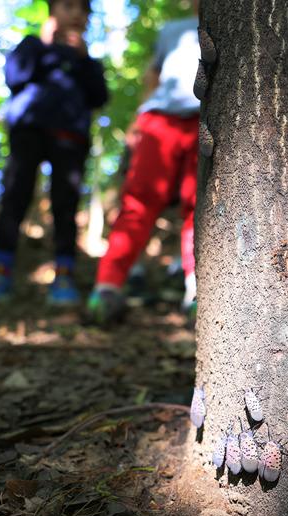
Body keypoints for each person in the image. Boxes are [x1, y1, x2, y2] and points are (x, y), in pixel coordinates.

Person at [0, 0, 108, 305]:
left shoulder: (87, 61)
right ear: (52, 12)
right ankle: (0, 273)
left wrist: (84, 60)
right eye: (68, 6)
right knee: (15, 196)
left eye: (82, 9)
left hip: (70, 135)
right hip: (29, 130)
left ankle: (64, 278)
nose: (76, 14)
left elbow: (99, 96)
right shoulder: (32, 45)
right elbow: (14, 77)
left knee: (65, 204)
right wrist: (44, 44)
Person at [85, 6, 200, 324]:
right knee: (138, 200)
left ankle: (196, 292)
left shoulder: (237, 26)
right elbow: (153, 74)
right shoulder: (172, 28)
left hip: (205, 120)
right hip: (160, 119)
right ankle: (107, 287)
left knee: (199, 207)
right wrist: (139, 119)